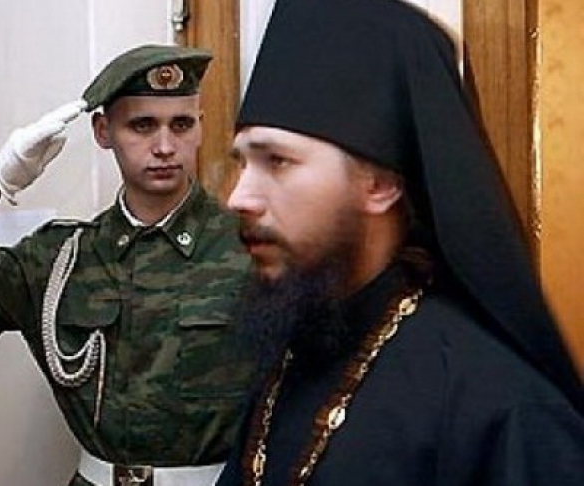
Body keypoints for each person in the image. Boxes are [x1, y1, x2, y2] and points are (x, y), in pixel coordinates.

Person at [216, 1, 584, 485]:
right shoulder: (296, 349)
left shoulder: (501, 403)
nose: (239, 197)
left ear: (380, 185)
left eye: (277, 161)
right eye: (242, 162)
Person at [0, 44, 255, 486]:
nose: (165, 146)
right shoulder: (57, 259)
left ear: (200, 128)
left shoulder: (253, 249)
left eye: (181, 125)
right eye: (142, 125)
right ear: (103, 131)